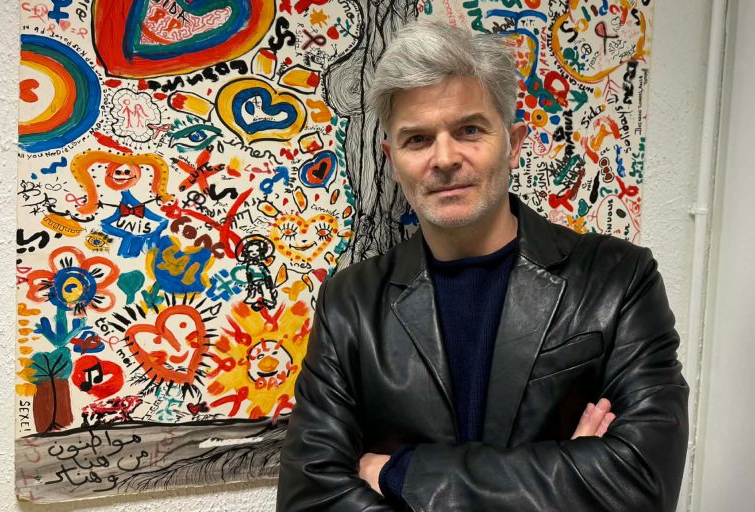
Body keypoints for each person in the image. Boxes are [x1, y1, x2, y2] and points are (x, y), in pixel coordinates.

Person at [277, 21, 688, 511]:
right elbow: (308, 499)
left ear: (513, 143)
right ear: (392, 159)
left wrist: (399, 473)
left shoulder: (618, 280)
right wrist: (566, 478)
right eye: (417, 139)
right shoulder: (351, 302)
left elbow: (640, 485)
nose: (444, 158)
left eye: (469, 130)